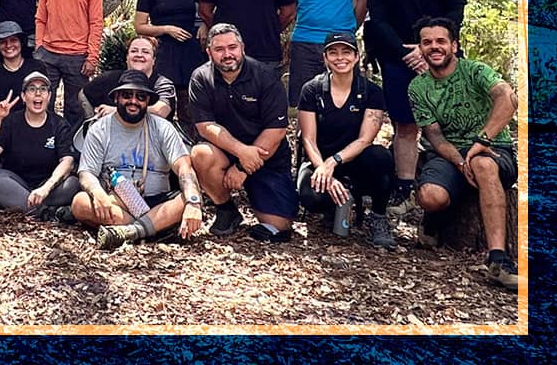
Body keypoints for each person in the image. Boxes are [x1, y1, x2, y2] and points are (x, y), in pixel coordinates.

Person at [407, 17, 520, 292]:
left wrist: (481, 141)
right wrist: (459, 162)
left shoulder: (476, 71)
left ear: (454, 45)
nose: (434, 47)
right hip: (450, 153)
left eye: (440, 41)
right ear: (420, 49)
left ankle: (498, 260)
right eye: (427, 42)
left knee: (482, 164)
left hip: (492, 147)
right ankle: (434, 222)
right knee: (431, 197)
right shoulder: (418, 87)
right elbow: (434, 135)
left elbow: (508, 98)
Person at [366, 0, 467, 210]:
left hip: (442, 58)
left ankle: (455, 179)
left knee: (449, 122)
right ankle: (405, 187)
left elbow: (456, 10)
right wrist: (404, 52)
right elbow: (379, 21)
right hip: (398, 61)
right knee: (405, 125)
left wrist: (429, 48)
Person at [70, 70, 203, 250]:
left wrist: (193, 202)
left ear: (148, 101)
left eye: (141, 97)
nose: (133, 101)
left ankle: (129, 232)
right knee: (80, 203)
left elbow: (184, 168)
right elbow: (86, 173)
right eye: (127, 95)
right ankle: (155, 229)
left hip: (157, 201)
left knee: (185, 200)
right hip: (116, 202)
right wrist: (98, 193)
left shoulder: (162, 127)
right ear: (116, 98)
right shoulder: (100, 128)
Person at [189, 23, 298, 243]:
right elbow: (205, 126)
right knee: (201, 154)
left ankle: (258, 193)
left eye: (232, 47)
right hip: (226, 152)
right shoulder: (200, 78)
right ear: (209, 52)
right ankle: (226, 209)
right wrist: (241, 153)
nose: (227, 54)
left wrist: (242, 167)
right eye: (219, 49)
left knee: (279, 227)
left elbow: (276, 131)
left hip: (267, 156)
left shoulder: (265, 76)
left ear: (243, 48)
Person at [297, 33, 396, 248]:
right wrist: (323, 169)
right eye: (333, 52)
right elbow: (308, 138)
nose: (340, 58)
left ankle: (378, 216)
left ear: (356, 56)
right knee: (310, 197)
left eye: (346, 52)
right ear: (325, 58)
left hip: (355, 159)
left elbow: (365, 139)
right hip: (319, 160)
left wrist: (333, 162)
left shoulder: (372, 92)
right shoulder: (312, 90)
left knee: (381, 157)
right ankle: (333, 206)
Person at [0, 72, 80, 220]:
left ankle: (21, 206)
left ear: (49, 96)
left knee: (72, 183)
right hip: (15, 182)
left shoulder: (59, 124)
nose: (38, 94)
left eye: (43, 89)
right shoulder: (12, 121)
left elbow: (67, 162)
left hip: (47, 186)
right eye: (32, 89)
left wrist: (46, 188)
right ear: (23, 96)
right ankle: (45, 212)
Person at [34, 0, 104, 130]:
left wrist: (92, 57)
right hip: (49, 54)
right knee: (43, 101)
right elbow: (40, 18)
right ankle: (44, 144)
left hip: (77, 56)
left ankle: (72, 148)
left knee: (75, 107)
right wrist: (39, 47)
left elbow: (96, 22)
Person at [135, 0, 204, 128]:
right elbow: (139, 26)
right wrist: (166, 29)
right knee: (161, 107)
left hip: (190, 52)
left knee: (189, 110)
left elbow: (210, 9)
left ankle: (190, 149)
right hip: (164, 52)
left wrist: (205, 25)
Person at [0, 21, 48, 138]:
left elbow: (44, 103)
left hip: (31, 131)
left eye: (13, 40)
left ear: (21, 43)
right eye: (3, 42)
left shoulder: (37, 68)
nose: (8, 45)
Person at [79, 35, 176, 121]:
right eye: (134, 51)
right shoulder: (108, 79)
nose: (139, 55)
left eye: (145, 52)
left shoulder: (163, 84)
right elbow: (84, 94)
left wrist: (117, 112)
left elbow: (161, 111)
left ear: (154, 60)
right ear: (127, 57)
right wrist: (91, 121)